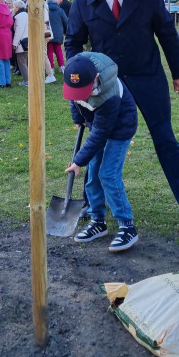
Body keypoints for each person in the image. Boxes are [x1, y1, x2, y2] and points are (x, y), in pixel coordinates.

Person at [65, 0, 179, 225]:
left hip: (147, 76)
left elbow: (166, 31)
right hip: (106, 86)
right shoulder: (83, 0)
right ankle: (91, 204)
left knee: (165, 138)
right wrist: (77, 81)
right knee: (98, 140)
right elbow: (73, 43)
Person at [63, 52, 138, 252]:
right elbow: (74, 99)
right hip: (97, 124)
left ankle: (127, 225)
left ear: (95, 78)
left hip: (120, 127)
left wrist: (78, 161)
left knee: (108, 174)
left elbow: (101, 133)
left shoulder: (109, 95)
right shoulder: (77, 75)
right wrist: (77, 118)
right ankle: (98, 221)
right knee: (93, 174)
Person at [46, 0, 68, 74]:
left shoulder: (45, 9)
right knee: (58, 49)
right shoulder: (60, 10)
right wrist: (66, 31)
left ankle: (51, 68)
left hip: (48, 32)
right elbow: (66, 21)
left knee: (49, 51)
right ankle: (62, 66)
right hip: (58, 32)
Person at [12, 0, 29, 86]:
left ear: (17, 8)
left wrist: (15, 43)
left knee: (21, 61)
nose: (13, 9)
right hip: (27, 41)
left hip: (22, 42)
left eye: (14, 7)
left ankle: (27, 80)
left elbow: (19, 31)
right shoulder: (26, 15)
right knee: (26, 61)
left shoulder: (19, 17)